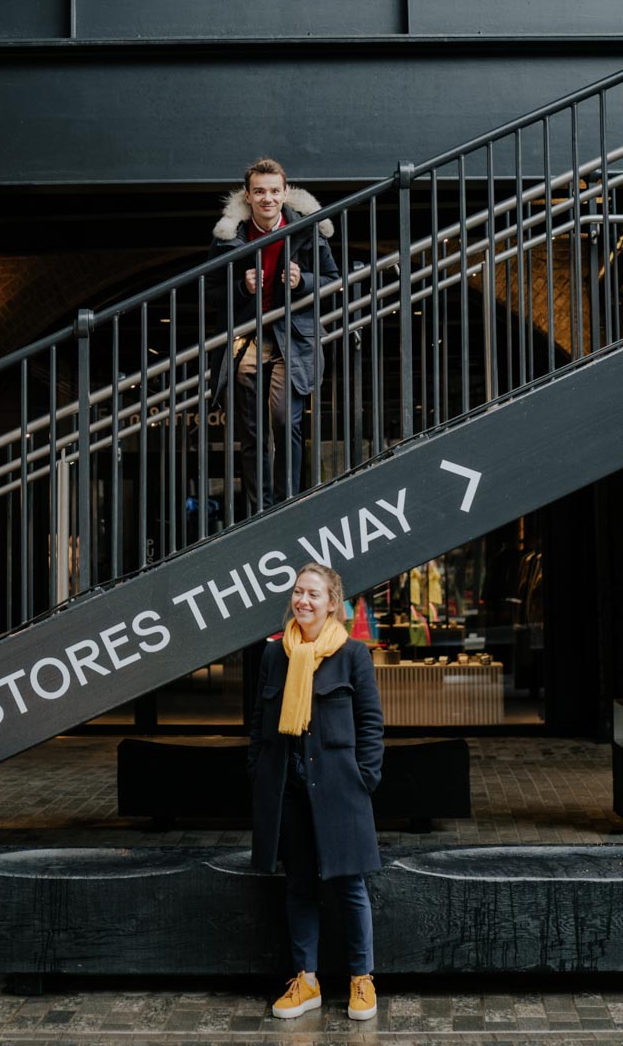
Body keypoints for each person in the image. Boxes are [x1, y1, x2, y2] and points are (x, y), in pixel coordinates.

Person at [248, 561, 384, 1021]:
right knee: (299, 886)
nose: (303, 600)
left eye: (313, 594)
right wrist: (260, 770)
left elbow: (370, 724)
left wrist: (364, 778)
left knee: (350, 884)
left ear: (332, 604)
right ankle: (305, 981)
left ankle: (362, 980)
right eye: (298, 592)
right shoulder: (275, 655)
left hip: (340, 790)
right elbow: (258, 724)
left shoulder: (352, 654)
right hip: (288, 789)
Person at [209, 158, 338, 519]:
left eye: (274, 191)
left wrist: (304, 282)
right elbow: (210, 292)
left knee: (284, 420)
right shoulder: (229, 238)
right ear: (248, 196)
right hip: (246, 340)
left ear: (285, 193)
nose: (267, 198)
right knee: (252, 431)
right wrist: (240, 287)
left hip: (291, 338)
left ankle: (287, 503)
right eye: (260, 191)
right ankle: (260, 509)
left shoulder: (308, 230)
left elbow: (333, 280)